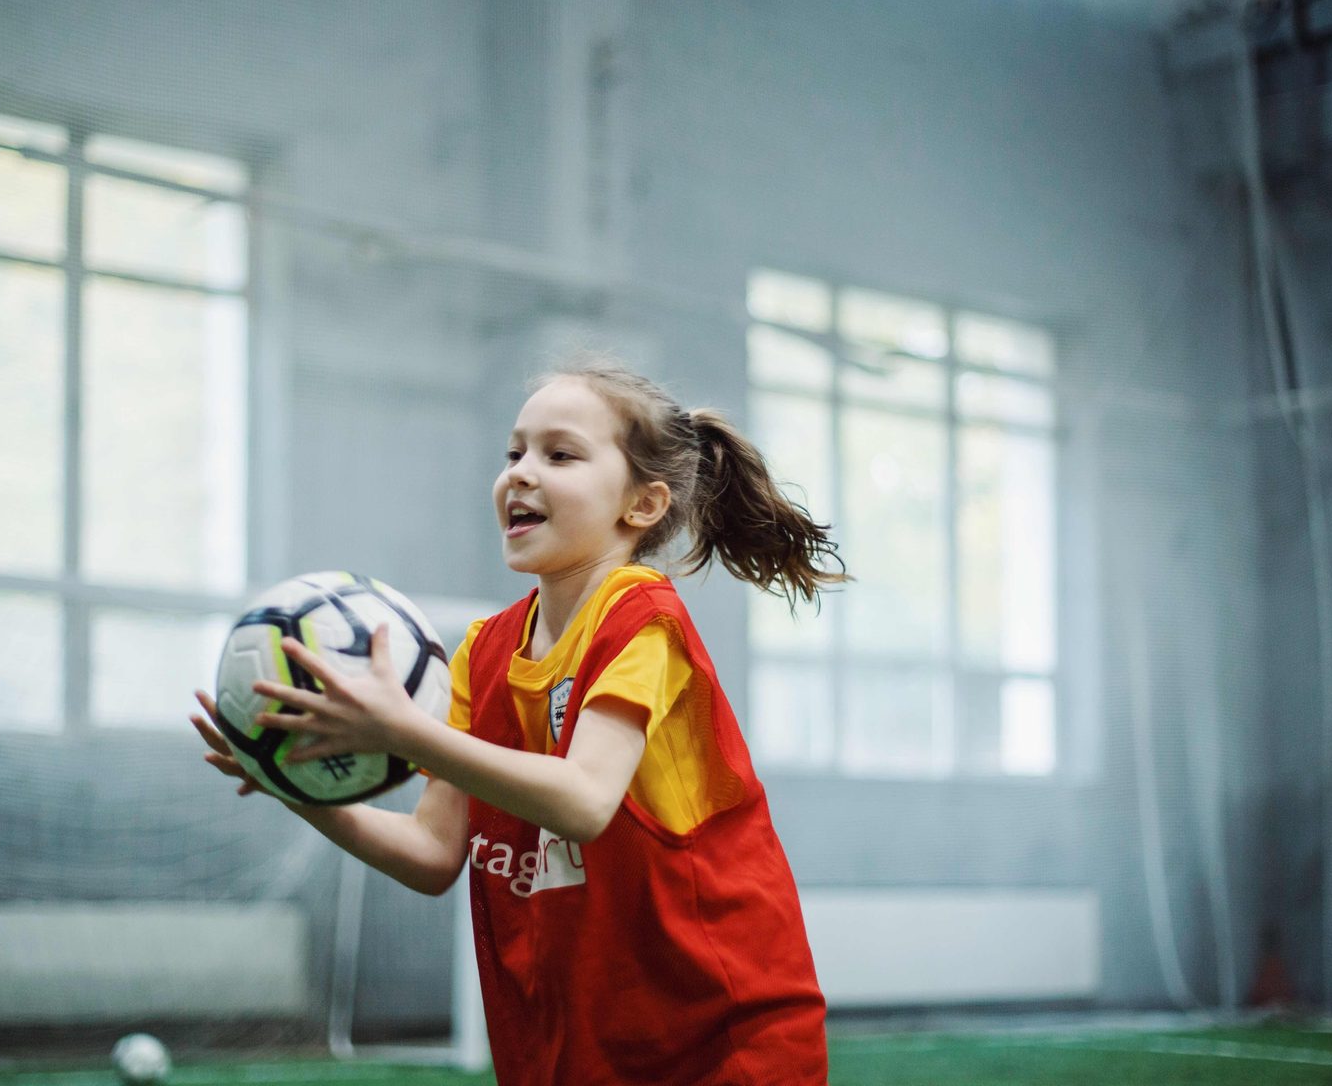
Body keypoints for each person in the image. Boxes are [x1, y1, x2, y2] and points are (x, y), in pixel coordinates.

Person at [191, 356, 847, 1085]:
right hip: (574, 1048)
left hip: (720, 1040)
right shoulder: (483, 652)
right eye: (514, 453)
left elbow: (585, 799)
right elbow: (435, 853)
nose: (521, 472)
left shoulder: (641, 618)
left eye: (559, 454)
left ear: (643, 505)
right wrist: (295, 786)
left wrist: (402, 730)